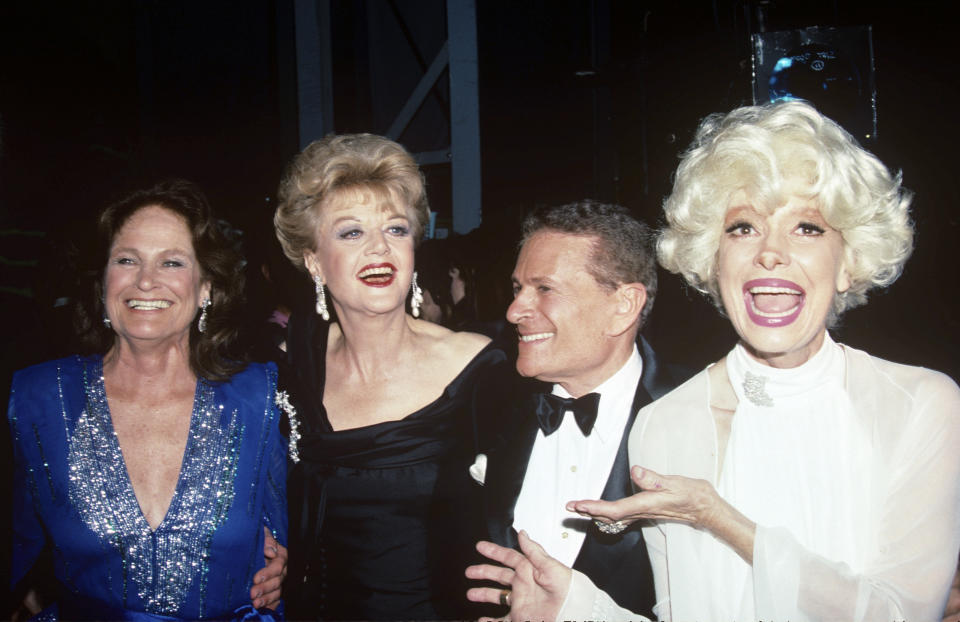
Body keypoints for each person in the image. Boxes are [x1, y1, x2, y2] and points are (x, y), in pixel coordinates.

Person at [467, 100, 960, 622]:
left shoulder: (921, 406)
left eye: (808, 228)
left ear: (849, 263)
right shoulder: (664, 424)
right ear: (713, 261)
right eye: (742, 227)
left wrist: (719, 519)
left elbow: (901, 614)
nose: (770, 251)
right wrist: (575, 607)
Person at [7, 180, 288, 620]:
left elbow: (296, 528)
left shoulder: (259, 396)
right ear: (103, 282)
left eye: (171, 262)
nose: (145, 280)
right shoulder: (36, 397)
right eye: (126, 260)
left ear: (206, 289)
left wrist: (286, 561)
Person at [272, 133, 512, 620]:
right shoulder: (287, 366)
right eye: (351, 233)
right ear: (315, 261)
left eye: (396, 230)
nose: (379, 248)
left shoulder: (481, 368)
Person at [472, 200, 689, 618]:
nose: (514, 311)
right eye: (518, 288)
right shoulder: (491, 403)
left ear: (623, 306)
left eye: (544, 289)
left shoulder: (695, 414)